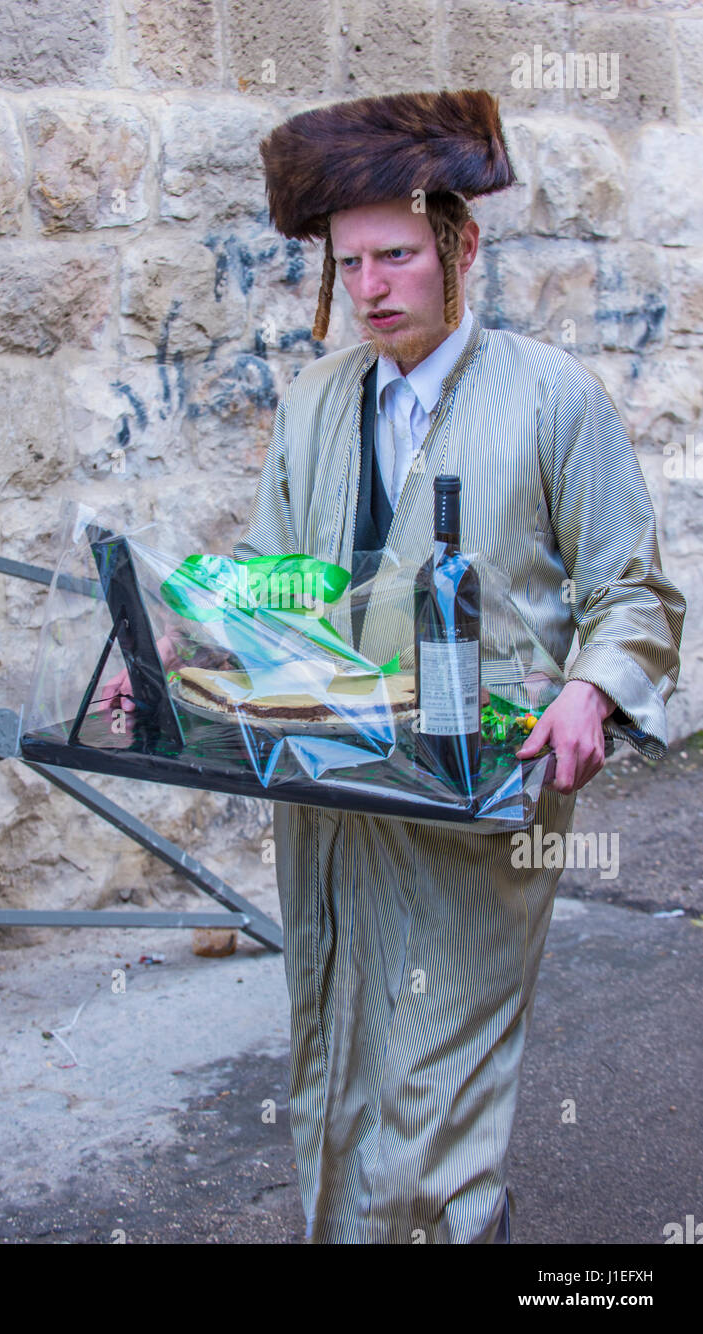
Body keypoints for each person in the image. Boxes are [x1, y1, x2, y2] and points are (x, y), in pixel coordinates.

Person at [102, 89, 686, 1244]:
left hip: (478, 799)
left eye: (397, 257)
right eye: (349, 260)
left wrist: (591, 687)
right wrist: (168, 649)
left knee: (434, 1077)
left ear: (461, 249)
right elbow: (272, 585)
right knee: (334, 1060)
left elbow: (634, 590)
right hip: (323, 787)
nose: (369, 286)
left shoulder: (551, 398)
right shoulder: (318, 400)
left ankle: (454, 1225)